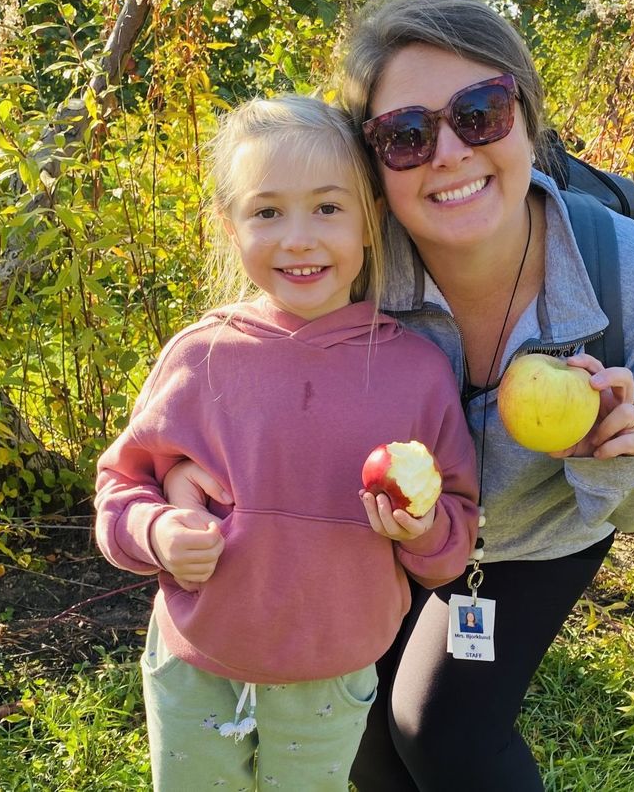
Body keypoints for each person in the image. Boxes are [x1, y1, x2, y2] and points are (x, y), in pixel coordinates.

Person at [166, 0, 634, 791]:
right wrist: (189, 466)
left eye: (480, 112)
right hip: (379, 528)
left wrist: (623, 458)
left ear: (527, 118)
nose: (447, 153)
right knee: (360, 726)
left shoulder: (621, 269)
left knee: (443, 734)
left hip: (531, 539)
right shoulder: (356, 257)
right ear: (373, 167)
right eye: (405, 135)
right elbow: (255, 355)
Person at [94, 94, 481, 792]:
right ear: (229, 226)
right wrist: (157, 529)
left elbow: (454, 537)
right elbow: (120, 490)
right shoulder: (199, 357)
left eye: (328, 208)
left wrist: (422, 529)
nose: (298, 238)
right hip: (196, 666)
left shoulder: (415, 373)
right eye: (267, 211)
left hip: (329, 677)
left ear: (371, 219)